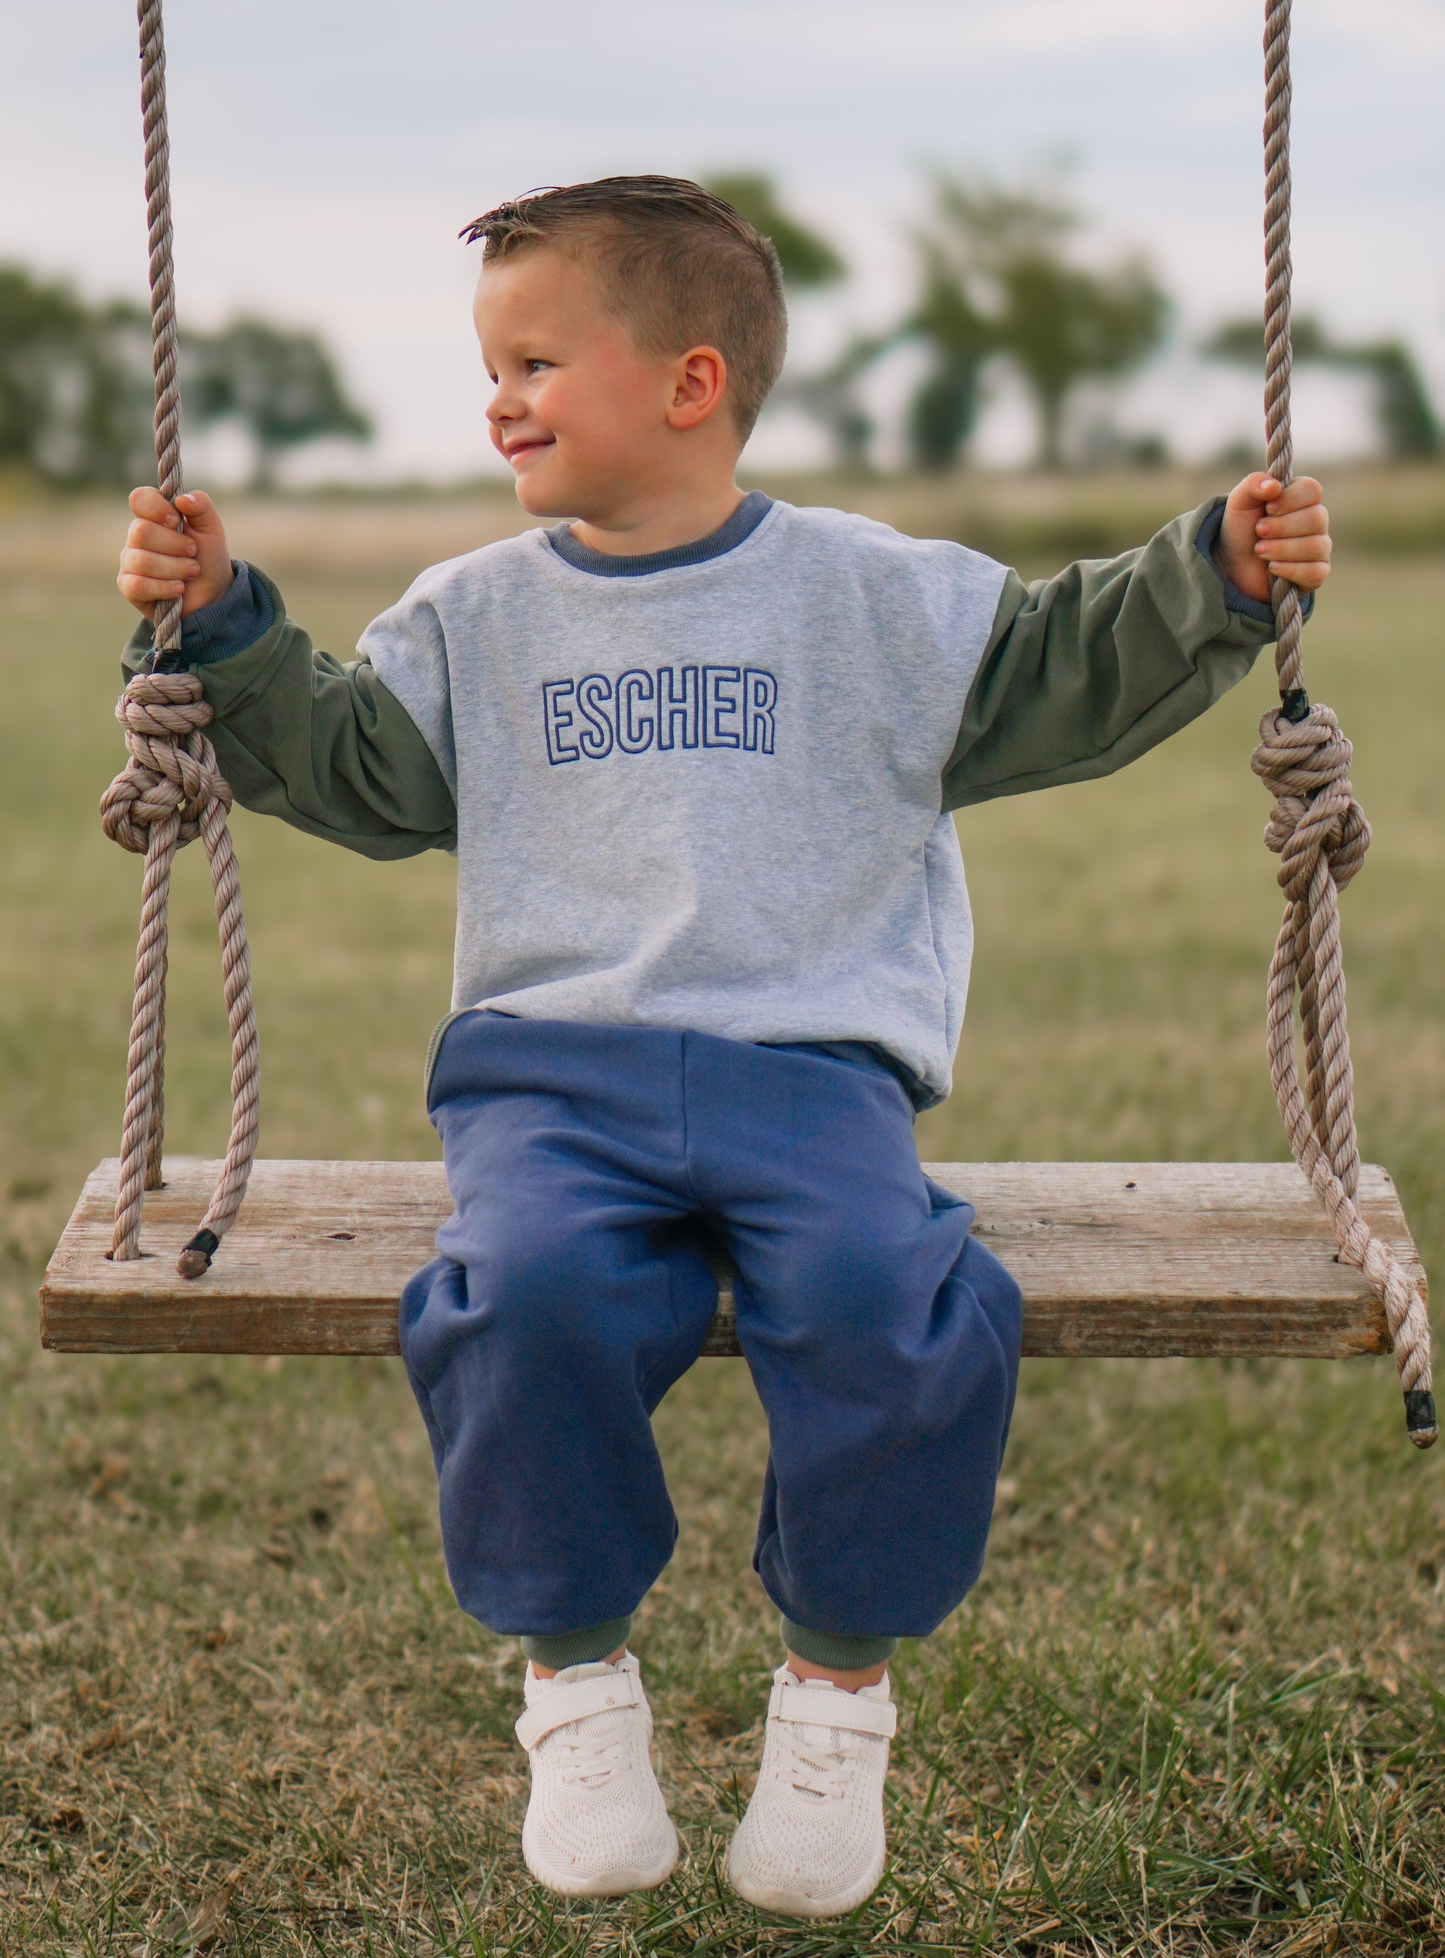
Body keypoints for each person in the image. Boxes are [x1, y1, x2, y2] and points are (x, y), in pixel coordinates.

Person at [116, 175, 1333, 1919]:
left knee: (884, 1292)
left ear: (690, 383)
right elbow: (365, 769)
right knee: (519, 1293)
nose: (498, 396)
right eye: (491, 361)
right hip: (552, 1075)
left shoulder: (867, 594)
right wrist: (229, 621)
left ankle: (835, 1690)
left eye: (536, 358)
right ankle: (574, 1681)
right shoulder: (473, 610)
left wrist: (1210, 569)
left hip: (809, 1073)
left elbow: (1061, 665)